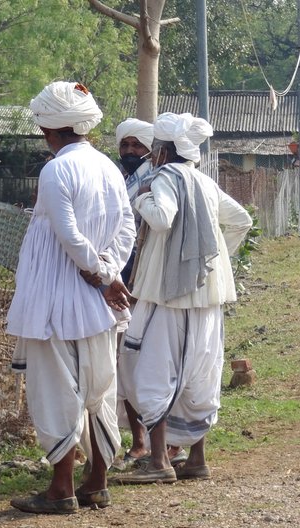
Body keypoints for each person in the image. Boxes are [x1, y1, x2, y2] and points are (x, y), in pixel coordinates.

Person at [6, 81, 135, 513]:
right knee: (97, 388)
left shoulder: (55, 170)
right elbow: (127, 229)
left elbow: (68, 234)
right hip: (96, 304)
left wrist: (100, 274)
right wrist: (109, 273)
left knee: (56, 390)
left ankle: (61, 489)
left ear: (48, 129)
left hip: (56, 301)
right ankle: (95, 481)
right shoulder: (109, 167)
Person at [115, 112, 252, 484]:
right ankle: (196, 459)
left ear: (161, 151)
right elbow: (241, 220)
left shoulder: (165, 178)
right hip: (209, 296)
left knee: (151, 371)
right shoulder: (204, 182)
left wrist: (141, 199)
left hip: (166, 295)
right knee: (200, 374)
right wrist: (218, 260)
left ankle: (158, 461)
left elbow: (161, 218)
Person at [113, 118, 187, 470]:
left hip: (144, 282)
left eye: (136, 145)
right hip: (125, 279)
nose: (129, 151)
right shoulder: (125, 178)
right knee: (129, 366)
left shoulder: (153, 180)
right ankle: (144, 443)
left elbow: (149, 222)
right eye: (124, 145)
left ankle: (160, 446)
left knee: (146, 363)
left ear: (153, 150)